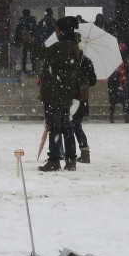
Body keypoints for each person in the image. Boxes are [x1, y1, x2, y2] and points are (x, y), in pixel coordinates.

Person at [23, 16, 81, 171]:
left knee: (55, 128)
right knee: (66, 127)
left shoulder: (63, 47)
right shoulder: (74, 46)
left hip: (55, 93)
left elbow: (44, 54)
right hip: (65, 93)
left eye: (56, 29)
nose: (55, 32)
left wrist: (29, 43)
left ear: (62, 30)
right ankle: (70, 160)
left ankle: (54, 160)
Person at [71, 50, 96, 164]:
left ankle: (83, 153)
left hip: (79, 97)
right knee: (74, 125)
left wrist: (81, 74)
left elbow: (92, 80)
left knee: (75, 125)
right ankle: (81, 152)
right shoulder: (74, 60)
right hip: (76, 97)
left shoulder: (85, 62)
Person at [13, 8, 37, 74]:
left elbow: (17, 32)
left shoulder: (21, 20)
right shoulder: (32, 20)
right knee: (32, 55)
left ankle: (24, 69)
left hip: (24, 40)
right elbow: (35, 30)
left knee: (24, 55)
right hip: (31, 40)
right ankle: (34, 69)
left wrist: (17, 41)